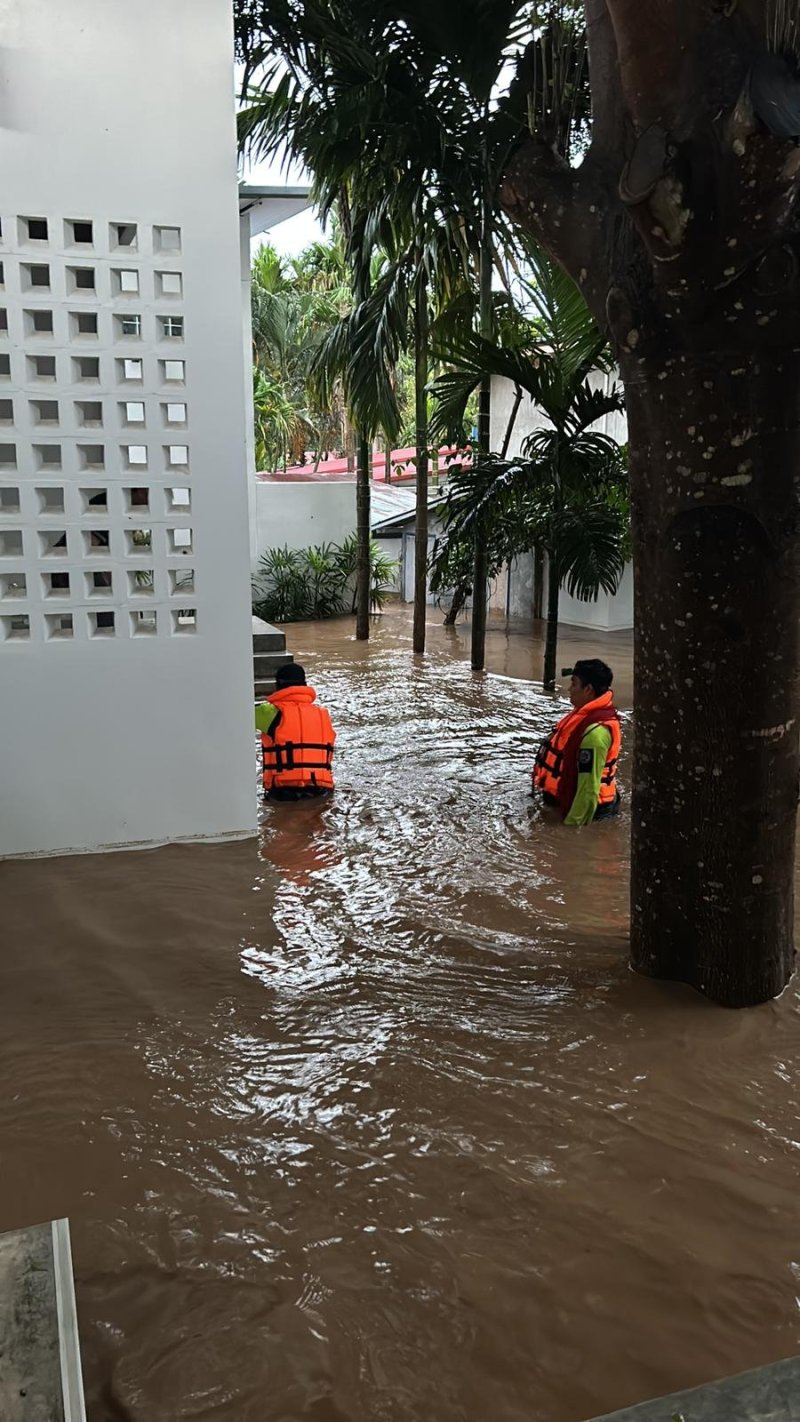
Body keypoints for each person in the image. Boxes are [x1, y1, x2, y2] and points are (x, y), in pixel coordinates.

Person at [532, 658, 621, 825]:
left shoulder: (596, 734)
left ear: (588, 690)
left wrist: (570, 831)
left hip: (589, 811)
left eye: (574, 684)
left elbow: (588, 790)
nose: (569, 689)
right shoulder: (583, 715)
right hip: (562, 800)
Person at [255, 662, 336, 802]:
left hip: (283, 793)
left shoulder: (269, 712)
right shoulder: (323, 714)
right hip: (321, 790)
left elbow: (237, 720)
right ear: (304, 685)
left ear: (278, 686)